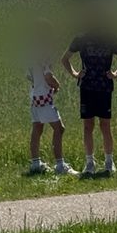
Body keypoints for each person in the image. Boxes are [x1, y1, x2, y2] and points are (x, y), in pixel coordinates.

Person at [62, 7, 117, 176]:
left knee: (105, 125)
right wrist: (75, 74)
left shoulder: (110, 38)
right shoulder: (81, 39)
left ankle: (109, 162)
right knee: (88, 126)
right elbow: (65, 59)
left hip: (104, 87)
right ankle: (89, 162)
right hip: (87, 87)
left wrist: (116, 73)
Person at [26, 18, 75, 175]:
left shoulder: (31, 53)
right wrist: (56, 85)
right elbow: (48, 75)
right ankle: (60, 165)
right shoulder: (44, 53)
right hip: (44, 97)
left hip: (34, 96)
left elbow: (29, 76)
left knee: (37, 128)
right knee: (59, 129)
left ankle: (35, 163)